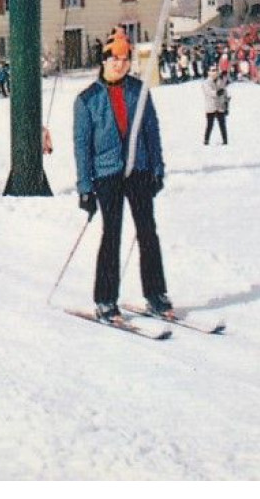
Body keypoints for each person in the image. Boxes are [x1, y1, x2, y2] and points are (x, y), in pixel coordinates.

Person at [73, 30, 170, 324]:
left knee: (147, 232)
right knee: (111, 234)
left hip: (137, 169)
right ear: (104, 61)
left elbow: (151, 132)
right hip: (107, 173)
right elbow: (82, 146)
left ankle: (156, 294)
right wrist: (85, 187)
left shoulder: (139, 92)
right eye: (115, 58)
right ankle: (105, 300)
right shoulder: (87, 100)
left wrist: (157, 169)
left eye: (125, 58)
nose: (120, 63)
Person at [202, 67, 230, 146]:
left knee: (222, 124)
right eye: (212, 71)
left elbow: (225, 94)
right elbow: (209, 92)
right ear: (209, 72)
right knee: (210, 125)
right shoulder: (206, 83)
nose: (215, 72)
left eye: (216, 70)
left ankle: (225, 141)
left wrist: (226, 106)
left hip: (220, 106)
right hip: (211, 107)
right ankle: (206, 140)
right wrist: (217, 93)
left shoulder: (221, 81)